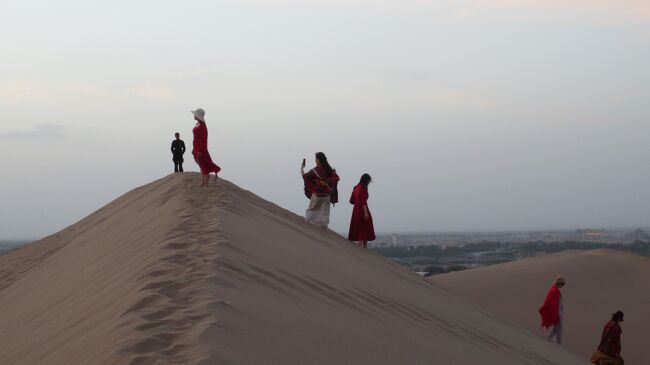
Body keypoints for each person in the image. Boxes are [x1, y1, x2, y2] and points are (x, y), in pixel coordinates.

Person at [301, 152, 340, 228]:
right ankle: (324, 227)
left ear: (318, 160)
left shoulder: (315, 170)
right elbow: (336, 178)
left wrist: (302, 169)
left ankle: (306, 225)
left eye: (316, 159)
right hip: (327, 195)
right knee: (325, 212)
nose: (315, 160)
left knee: (311, 209)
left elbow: (305, 177)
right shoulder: (329, 170)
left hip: (318, 194)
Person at [191, 108, 221, 187]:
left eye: (195, 114)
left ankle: (206, 184)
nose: (194, 115)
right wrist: (194, 149)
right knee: (201, 165)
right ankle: (202, 182)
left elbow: (203, 138)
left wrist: (199, 150)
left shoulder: (202, 126)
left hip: (201, 149)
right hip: (196, 148)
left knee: (204, 167)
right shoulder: (198, 124)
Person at [348, 173, 376, 248]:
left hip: (356, 209)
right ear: (366, 180)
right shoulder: (364, 188)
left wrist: (357, 202)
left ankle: (362, 246)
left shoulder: (355, 187)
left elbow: (351, 201)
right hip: (362, 208)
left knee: (358, 225)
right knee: (364, 226)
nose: (369, 183)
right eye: (369, 181)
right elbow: (363, 201)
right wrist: (366, 213)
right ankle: (362, 247)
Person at [539, 276, 566, 344]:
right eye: (562, 284)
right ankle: (559, 343)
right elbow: (551, 302)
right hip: (556, 313)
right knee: (559, 328)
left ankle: (549, 338)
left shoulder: (555, 290)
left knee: (556, 328)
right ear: (559, 283)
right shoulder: (554, 290)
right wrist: (556, 313)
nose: (562, 286)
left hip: (558, 312)